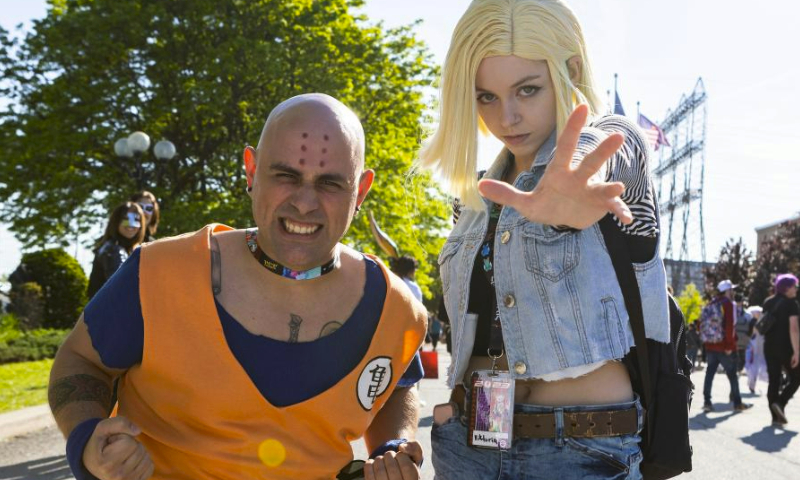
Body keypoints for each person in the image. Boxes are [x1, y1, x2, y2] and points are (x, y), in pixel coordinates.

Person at [49, 94, 427, 480]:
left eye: (330, 183)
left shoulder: (393, 307)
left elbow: (397, 385)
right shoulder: (158, 273)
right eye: (285, 176)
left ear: (360, 191)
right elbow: (81, 360)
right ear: (251, 171)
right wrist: (86, 439)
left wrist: (392, 446)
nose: (304, 203)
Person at [418, 1, 675, 477]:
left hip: (582, 448)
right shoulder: (475, 198)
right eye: (486, 97)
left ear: (570, 70)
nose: (508, 117)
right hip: (468, 445)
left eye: (528, 89)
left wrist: (565, 209)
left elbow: (606, 148)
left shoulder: (610, 146)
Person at [701, 280, 752, 412]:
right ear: (727, 291)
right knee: (732, 375)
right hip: (725, 346)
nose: (733, 292)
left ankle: (707, 402)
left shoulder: (712, 303)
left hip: (711, 345)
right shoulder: (728, 304)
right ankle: (737, 403)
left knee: (709, 374)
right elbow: (730, 326)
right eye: (731, 290)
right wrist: (730, 345)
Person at [86, 202, 146, 300]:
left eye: (136, 220)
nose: (131, 225)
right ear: (116, 221)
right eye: (126, 219)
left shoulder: (121, 248)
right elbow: (122, 286)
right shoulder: (113, 249)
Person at [762, 274, 800, 427]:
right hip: (786, 348)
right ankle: (780, 402)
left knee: (774, 380)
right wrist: (797, 351)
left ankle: (775, 416)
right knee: (796, 377)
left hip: (769, 347)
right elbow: (794, 329)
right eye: (794, 286)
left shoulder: (768, 302)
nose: (796, 289)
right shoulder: (792, 304)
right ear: (786, 288)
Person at [744, 305, 767, 394]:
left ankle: (752, 383)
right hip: (756, 347)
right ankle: (752, 383)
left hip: (755, 346)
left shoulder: (753, 322)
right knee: (754, 365)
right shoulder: (757, 323)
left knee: (753, 365)